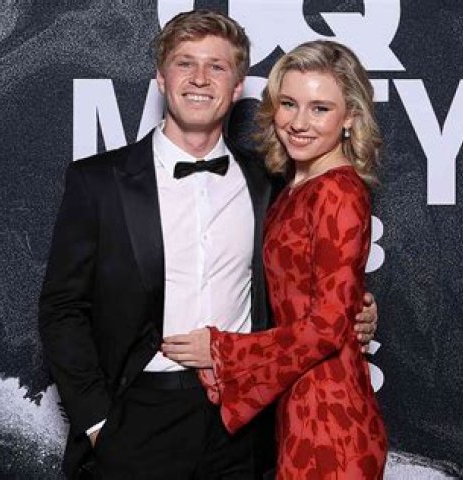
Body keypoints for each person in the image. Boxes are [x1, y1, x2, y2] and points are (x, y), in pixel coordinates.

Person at [38, 10, 378, 480]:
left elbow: (311, 279)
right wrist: (97, 424)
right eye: (185, 63)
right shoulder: (98, 182)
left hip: (244, 422)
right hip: (139, 416)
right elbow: (61, 309)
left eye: (216, 66)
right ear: (161, 78)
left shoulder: (269, 183)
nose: (200, 78)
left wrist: (356, 308)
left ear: (237, 87)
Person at [163, 40, 387, 479]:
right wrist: (353, 303)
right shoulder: (292, 187)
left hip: (330, 420)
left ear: (350, 118)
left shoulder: (338, 191)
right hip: (298, 407)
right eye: (288, 104)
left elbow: (326, 327)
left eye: (320, 109)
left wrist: (222, 350)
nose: (299, 123)